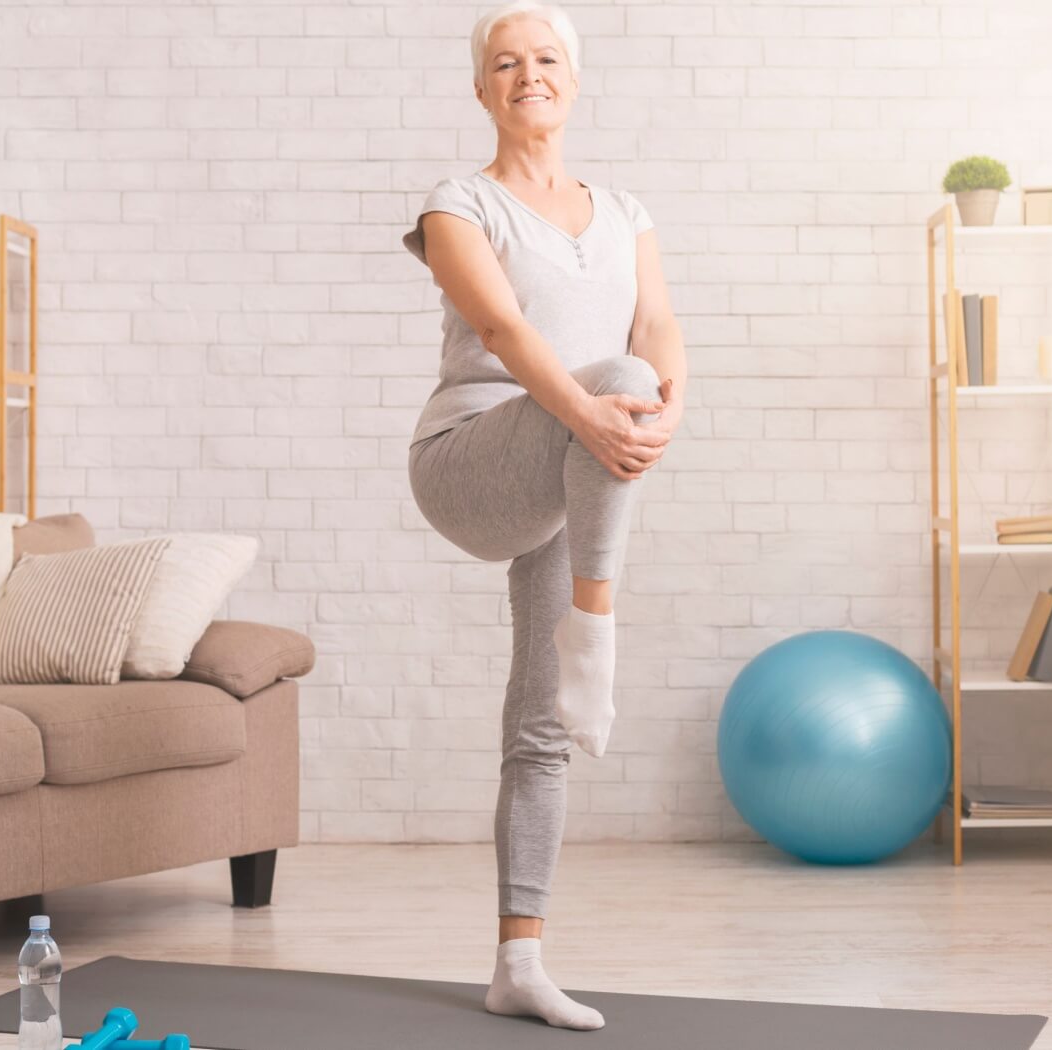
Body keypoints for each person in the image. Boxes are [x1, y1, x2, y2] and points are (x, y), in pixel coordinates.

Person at [400, 1, 688, 1032]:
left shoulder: (624, 211)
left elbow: (658, 324)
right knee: (614, 374)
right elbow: (500, 325)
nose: (530, 74)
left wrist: (661, 417)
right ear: (482, 89)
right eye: (507, 63)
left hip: (580, 458)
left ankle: (517, 961)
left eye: (548, 59)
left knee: (539, 729)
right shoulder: (456, 203)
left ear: (575, 78)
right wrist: (609, 406)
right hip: (471, 462)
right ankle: (596, 627)